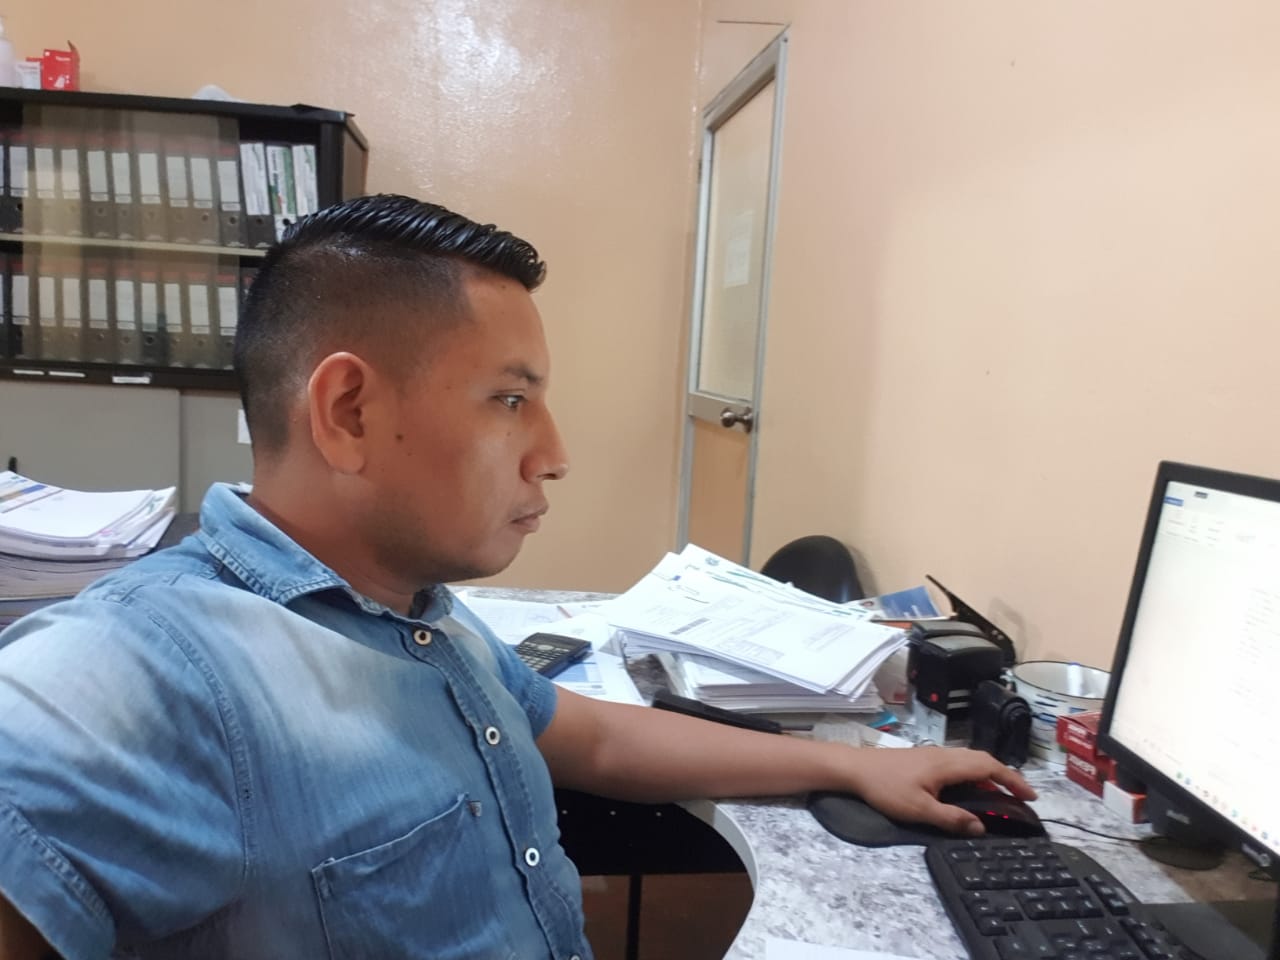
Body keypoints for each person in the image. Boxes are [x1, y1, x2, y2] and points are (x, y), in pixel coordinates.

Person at [0, 194, 1032, 959]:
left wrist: (852, 768)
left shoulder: (416, 611)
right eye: (509, 400)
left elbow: (595, 736)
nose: (553, 453)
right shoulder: (142, 670)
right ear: (349, 413)